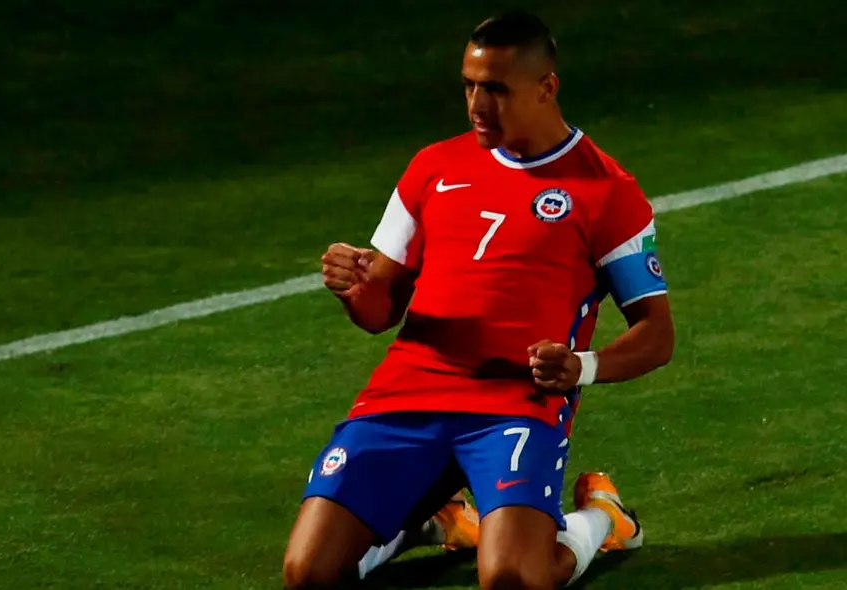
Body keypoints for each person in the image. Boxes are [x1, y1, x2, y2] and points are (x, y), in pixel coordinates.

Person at [283, 9, 675, 589]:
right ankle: (425, 520)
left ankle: (599, 519)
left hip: (515, 408)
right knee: (307, 574)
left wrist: (581, 368)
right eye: (469, 85)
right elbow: (379, 314)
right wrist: (355, 288)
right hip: (407, 397)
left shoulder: (606, 191)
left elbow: (657, 335)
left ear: (546, 88)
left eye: (495, 89)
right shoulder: (432, 167)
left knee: (515, 580)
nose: (476, 104)